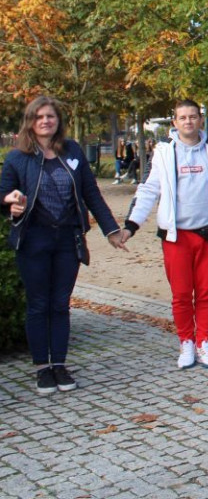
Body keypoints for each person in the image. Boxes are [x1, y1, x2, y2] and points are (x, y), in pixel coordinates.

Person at [0, 95, 127, 394]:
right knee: (38, 304)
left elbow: (91, 193)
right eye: (40, 116)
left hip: (67, 239)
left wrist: (111, 229)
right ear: (31, 121)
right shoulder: (17, 156)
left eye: (51, 116)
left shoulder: (72, 151)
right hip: (33, 239)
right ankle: (41, 369)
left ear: (58, 121)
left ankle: (59, 364)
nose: (46, 121)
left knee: (60, 304)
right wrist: (10, 203)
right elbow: (3, 192)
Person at [123, 99, 208, 370]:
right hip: (177, 236)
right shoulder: (163, 153)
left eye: (193, 117)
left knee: (205, 293)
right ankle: (186, 341)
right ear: (175, 123)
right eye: (182, 117)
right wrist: (131, 225)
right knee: (181, 294)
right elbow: (149, 190)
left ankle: (204, 341)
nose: (188, 122)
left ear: (200, 120)